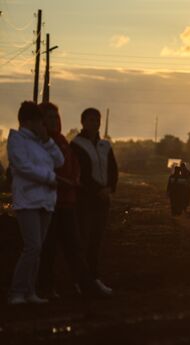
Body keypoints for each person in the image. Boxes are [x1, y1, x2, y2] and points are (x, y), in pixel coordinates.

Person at [37, 102, 107, 299]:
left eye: (56, 117)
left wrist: (74, 179)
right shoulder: (41, 143)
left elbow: (74, 164)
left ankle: (85, 285)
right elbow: (47, 170)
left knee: (74, 245)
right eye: (49, 117)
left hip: (67, 202)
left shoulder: (61, 141)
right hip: (49, 202)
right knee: (48, 248)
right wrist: (68, 181)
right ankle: (46, 287)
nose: (54, 121)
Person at [7, 101, 64, 305]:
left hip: (45, 201)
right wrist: (49, 178)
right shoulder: (16, 140)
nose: (43, 125)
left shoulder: (42, 142)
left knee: (37, 248)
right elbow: (23, 167)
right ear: (29, 121)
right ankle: (17, 292)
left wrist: (48, 140)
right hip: (27, 200)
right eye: (40, 121)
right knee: (32, 247)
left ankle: (30, 292)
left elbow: (60, 161)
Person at [71, 108, 118, 296]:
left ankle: (93, 278)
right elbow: (78, 172)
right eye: (91, 120)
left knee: (96, 241)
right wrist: (96, 190)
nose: (95, 123)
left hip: (103, 199)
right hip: (85, 199)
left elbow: (113, 170)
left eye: (97, 120)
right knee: (83, 238)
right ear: (83, 122)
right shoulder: (76, 144)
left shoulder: (105, 145)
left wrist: (109, 188)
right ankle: (80, 280)